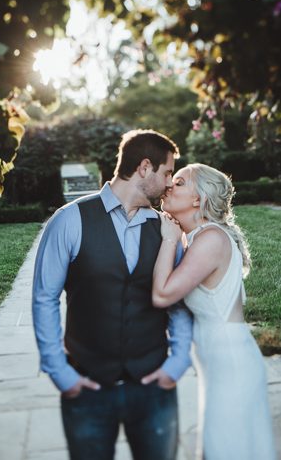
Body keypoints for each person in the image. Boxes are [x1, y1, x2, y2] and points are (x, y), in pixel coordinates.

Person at [32, 129, 193, 460]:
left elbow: (178, 302)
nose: (168, 184)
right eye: (167, 173)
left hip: (153, 387)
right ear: (144, 167)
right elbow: (44, 297)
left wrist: (177, 364)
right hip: (87, 387)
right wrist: (61, 373)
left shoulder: (167, 230)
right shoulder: (69, 221)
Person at [153, 163, 276, 460]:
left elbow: (162, 294)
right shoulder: (196, 236)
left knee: (224, 450)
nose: (169, 185)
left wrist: (168, 238)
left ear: (199, 198)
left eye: (180, 182)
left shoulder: (210, 239)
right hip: (216, 362)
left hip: (231, 364)